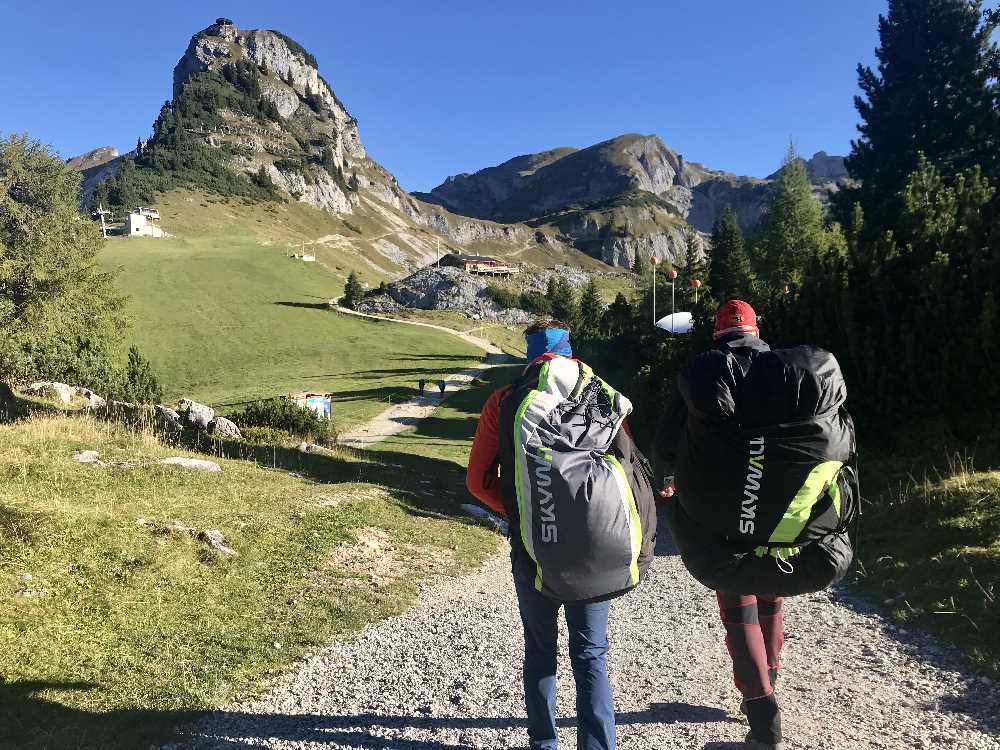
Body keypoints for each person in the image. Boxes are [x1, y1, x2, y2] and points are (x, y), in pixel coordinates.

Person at [653, 300, 858, 750]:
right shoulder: (789, 379)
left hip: (726, 524)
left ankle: (763, 716)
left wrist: (668, 480)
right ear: (756, 330)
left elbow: (667, 442)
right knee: (771, 597)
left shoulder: (706, 377)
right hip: (788, 520)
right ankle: (773, 675)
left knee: (738, 606)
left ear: (716, 334)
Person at [466, 319, 657, 750]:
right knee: (591, 655)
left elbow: (478, 482)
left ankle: (544, 744)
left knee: (540, 650)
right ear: (570, 352)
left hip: (533, 548)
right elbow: (629, 471)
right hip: (596, 543)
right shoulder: (600, 394)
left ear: (530, 354)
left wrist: (523, 513)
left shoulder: (505, 401)